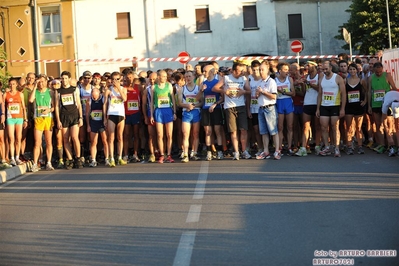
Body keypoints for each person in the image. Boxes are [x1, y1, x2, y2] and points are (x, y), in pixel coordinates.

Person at [212, 62, 252, 160]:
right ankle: (236, 152)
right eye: (240, 71)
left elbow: (250, 91)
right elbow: (215, 88)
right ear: (234, 71)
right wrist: (224, 91)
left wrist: (244, 92)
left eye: (243, 71)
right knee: (233, 131)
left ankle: (244, 151)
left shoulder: (244, 79)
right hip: (229, 107)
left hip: (241, 106)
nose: (242, 72)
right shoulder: (226, 78)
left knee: (243, 130)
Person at [54, 71, 84, 169]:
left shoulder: (75, 89)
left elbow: (79, 104)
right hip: (64, 116)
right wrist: (58, 120)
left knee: (75, 137)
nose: (64, 80)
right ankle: (70, 159)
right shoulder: (58, 91)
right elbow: (57, 107)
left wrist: (80, 117)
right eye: (62, 78)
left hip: (74, 115)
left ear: (69, 79)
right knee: (66, 139)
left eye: (66, 78)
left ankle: (78, 158)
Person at [316, 60, 346, 157]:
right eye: (323, 69)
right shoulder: (321, 79)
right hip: (324, 106)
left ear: (331, 68)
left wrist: (342, 109)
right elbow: (320, 94)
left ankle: (336, 148)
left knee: (335, 127)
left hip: (335, 106)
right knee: (324, 127)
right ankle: (327, 147)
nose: (324, 71)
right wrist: (318, 108)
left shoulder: (338, 78)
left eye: (326, 69)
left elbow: (344, 94)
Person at [368, 62, 397, 154]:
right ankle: (382, 145)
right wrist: (369, 105)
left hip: (387, 103)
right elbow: (369, 92)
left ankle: (391, 145)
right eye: (377, 73)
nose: (379, 74)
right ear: (373, 70)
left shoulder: (387, 75)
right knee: (378, 125)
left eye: (380, 72)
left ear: (382, 69)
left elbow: (394, 87)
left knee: (389, 125)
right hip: (375, 104)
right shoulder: (370, 78)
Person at [255, 60, 281, 160]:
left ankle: (277, 150)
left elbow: (274, 96)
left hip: (269, 108)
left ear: (267, 70)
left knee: (273, 131)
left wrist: (263, 92)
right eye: (259, 70)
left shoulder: (271, 81)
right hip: (261, 108)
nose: (261, 72)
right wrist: (257, 94)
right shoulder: (260, 82)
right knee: (263, 131)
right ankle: (266, 151)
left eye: (262, 70)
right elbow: (257, 96)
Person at [296, 61, 323, 156]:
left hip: (316, 103)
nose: (307, 67)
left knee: (317, 126)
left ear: (314, 66)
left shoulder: (319, 76)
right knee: (305, 126)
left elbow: (320, 89)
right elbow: (304, 91)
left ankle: (317, 146)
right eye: (306, 65)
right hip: (307, 102)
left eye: (309, 65)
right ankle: (303, 147)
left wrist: (309, 83)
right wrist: (302, 84)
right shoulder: (306, 76)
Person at [198, 64, 224, 161]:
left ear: (212, 72)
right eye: (203, 71)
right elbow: (197, 98)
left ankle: (220, 152)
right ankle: (209, 152)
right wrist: (201, 91)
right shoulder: (203, 83)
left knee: (217, 130)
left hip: (216, 109)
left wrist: (215, 104)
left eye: (205, 71)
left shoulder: (217, 82)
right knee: (208, 132)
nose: (203, 73)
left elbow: (222, 98)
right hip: (205, 109)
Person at [29, 74, 55, 172]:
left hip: (48, 119)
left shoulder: (50, 92)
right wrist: (35, 86)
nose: (41, 83)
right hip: (38, 119)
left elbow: (54, 106)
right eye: (39, 81)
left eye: (43, 81)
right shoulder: (35, 92)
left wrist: (49, 110)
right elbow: (31, 100)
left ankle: (48, 162)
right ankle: (35, 163)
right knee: (37, 142)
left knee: (49, 142)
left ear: (46, 82)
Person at [150, 70, 177, 163]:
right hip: (158, 111)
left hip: (168, 110)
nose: (165, 78)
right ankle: (162, 154)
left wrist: (174, 112)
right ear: (159, 77)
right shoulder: (154, 87)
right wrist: (151, 115)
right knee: (160, 135)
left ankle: (169, 155)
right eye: (163, 76)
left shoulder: (169, 86)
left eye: (166, 76)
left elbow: (173, 99)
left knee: (169, 134)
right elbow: (152, 102)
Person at [103, 71, 127, 167]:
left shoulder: (123, 89)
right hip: (111, 114)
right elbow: (104, 104)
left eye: (117, 79)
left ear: (120, 79)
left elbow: (124, 99)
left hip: (120, 114)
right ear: (111, 80)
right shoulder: (108, 90)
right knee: (111, 137)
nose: (116, 81)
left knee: (120, 137)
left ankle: (120, 157)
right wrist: (105, 117)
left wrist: (119, 89)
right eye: (114, 79)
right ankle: (111, 158)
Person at [178, 71, 202, 162]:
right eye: (186, 76)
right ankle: (185, 154)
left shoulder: (198, 88)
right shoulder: (182, 89)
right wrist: (187, 106)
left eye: (189, 76)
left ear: (194, 77)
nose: (188, 78)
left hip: (196, 112)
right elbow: (180, 103)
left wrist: (194, 106)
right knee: (185, 134)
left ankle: (194, 153)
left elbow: (202, 102)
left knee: (195, 134)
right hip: (187, 113)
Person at [344, 63, 367, 155]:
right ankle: (349, 146)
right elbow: (344, 93)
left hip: (358, 106)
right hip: (349, 106)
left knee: (358, 127)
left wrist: (365, 101)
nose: (352, 71)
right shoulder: (345, 80)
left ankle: (360, 146)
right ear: (348, 71)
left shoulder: (361, 81)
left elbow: (367, 91)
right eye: (351, 69)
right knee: (348, 127)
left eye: (354, 69)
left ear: (357, 70)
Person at [5, 77, 28, 166]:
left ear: (16, 85)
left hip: (19, 118)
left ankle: (17, 157)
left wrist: (25, 119)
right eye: (10, 84)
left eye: (13, 84)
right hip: (10, 118)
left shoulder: (20, 94)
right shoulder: (6, 94)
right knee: (11, 138)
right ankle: (12, 158)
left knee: (18, 138)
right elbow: (3, 105)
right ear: (9, 85)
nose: (12, 86)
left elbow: (23, 107)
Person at [275, 62, 296, 155]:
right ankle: (279, 147)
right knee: (280, 127)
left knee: (290, 126)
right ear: (280, 71)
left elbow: (293, 93)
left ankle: (289, 146)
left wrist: (283, 92)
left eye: (288, 70)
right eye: (285, 70)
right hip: (279, 102)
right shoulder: (274, 80)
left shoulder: (289, 79)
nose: (287, 72)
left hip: (288, 102)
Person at [86, 87, 108, 167]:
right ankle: (93, 160)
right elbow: (87, 113)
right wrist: (88, 125)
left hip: (102, 122)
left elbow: (106, 110)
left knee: (105, 141)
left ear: (99, 94)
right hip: (93, 122)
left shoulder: (103, 99)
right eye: (93, 96)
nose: (94, 98)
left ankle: (107, 158)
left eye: (95, 96)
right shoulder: (89, 100)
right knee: (93, 142)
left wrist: (105, 120)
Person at [123, 70, 142, 163]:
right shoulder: (123, 88)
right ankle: (126, 155)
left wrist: (143, 114)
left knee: (136, 134)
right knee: (126, 135)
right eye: (127, 78)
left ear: (133, 78)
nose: (129, 79)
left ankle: (135, 154)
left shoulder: (138, 87)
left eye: (131, 77)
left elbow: (143, 101)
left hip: (136, 113)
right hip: (126, 114)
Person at [248, 60, 264, 157]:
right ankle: (260, 148)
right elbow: (247, 96)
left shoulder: (263, 79)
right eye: (254, 70)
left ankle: (266, 147)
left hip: (262, 107)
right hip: (253, 108)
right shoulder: (249, 79)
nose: (256, 72)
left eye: (257, 70)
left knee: (264, 129)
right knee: (256, 129)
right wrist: (248, 109)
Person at [142, 72, 158, 162]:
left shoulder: (162, 88)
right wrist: (145, 116)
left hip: (159, 112)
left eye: (154, 79)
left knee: (160, 134)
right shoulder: (146, 89)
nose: (152, 81)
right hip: (149, 112)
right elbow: (144, 104)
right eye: (150, 79)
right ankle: (152, 154)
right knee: (151, 134)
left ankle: (161, 151)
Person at [78, 70, 93, 159]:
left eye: (89, 78)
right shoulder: (79, 88)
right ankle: (82, 155)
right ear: (82, 79)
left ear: (91, 79)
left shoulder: (93, 88)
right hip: (82, 115)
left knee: (91, 137)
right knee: (82, 137)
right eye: (85, 78)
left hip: (92, 115)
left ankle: (91, 155)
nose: (87, 80)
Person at [381, 90, 399, 156]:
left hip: (395, 102)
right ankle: (391, 146)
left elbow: (397, 126)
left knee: (397, 126)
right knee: (387, 125)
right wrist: (389, 136)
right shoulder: (386, 104)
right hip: (387, 100)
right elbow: (384, 123)